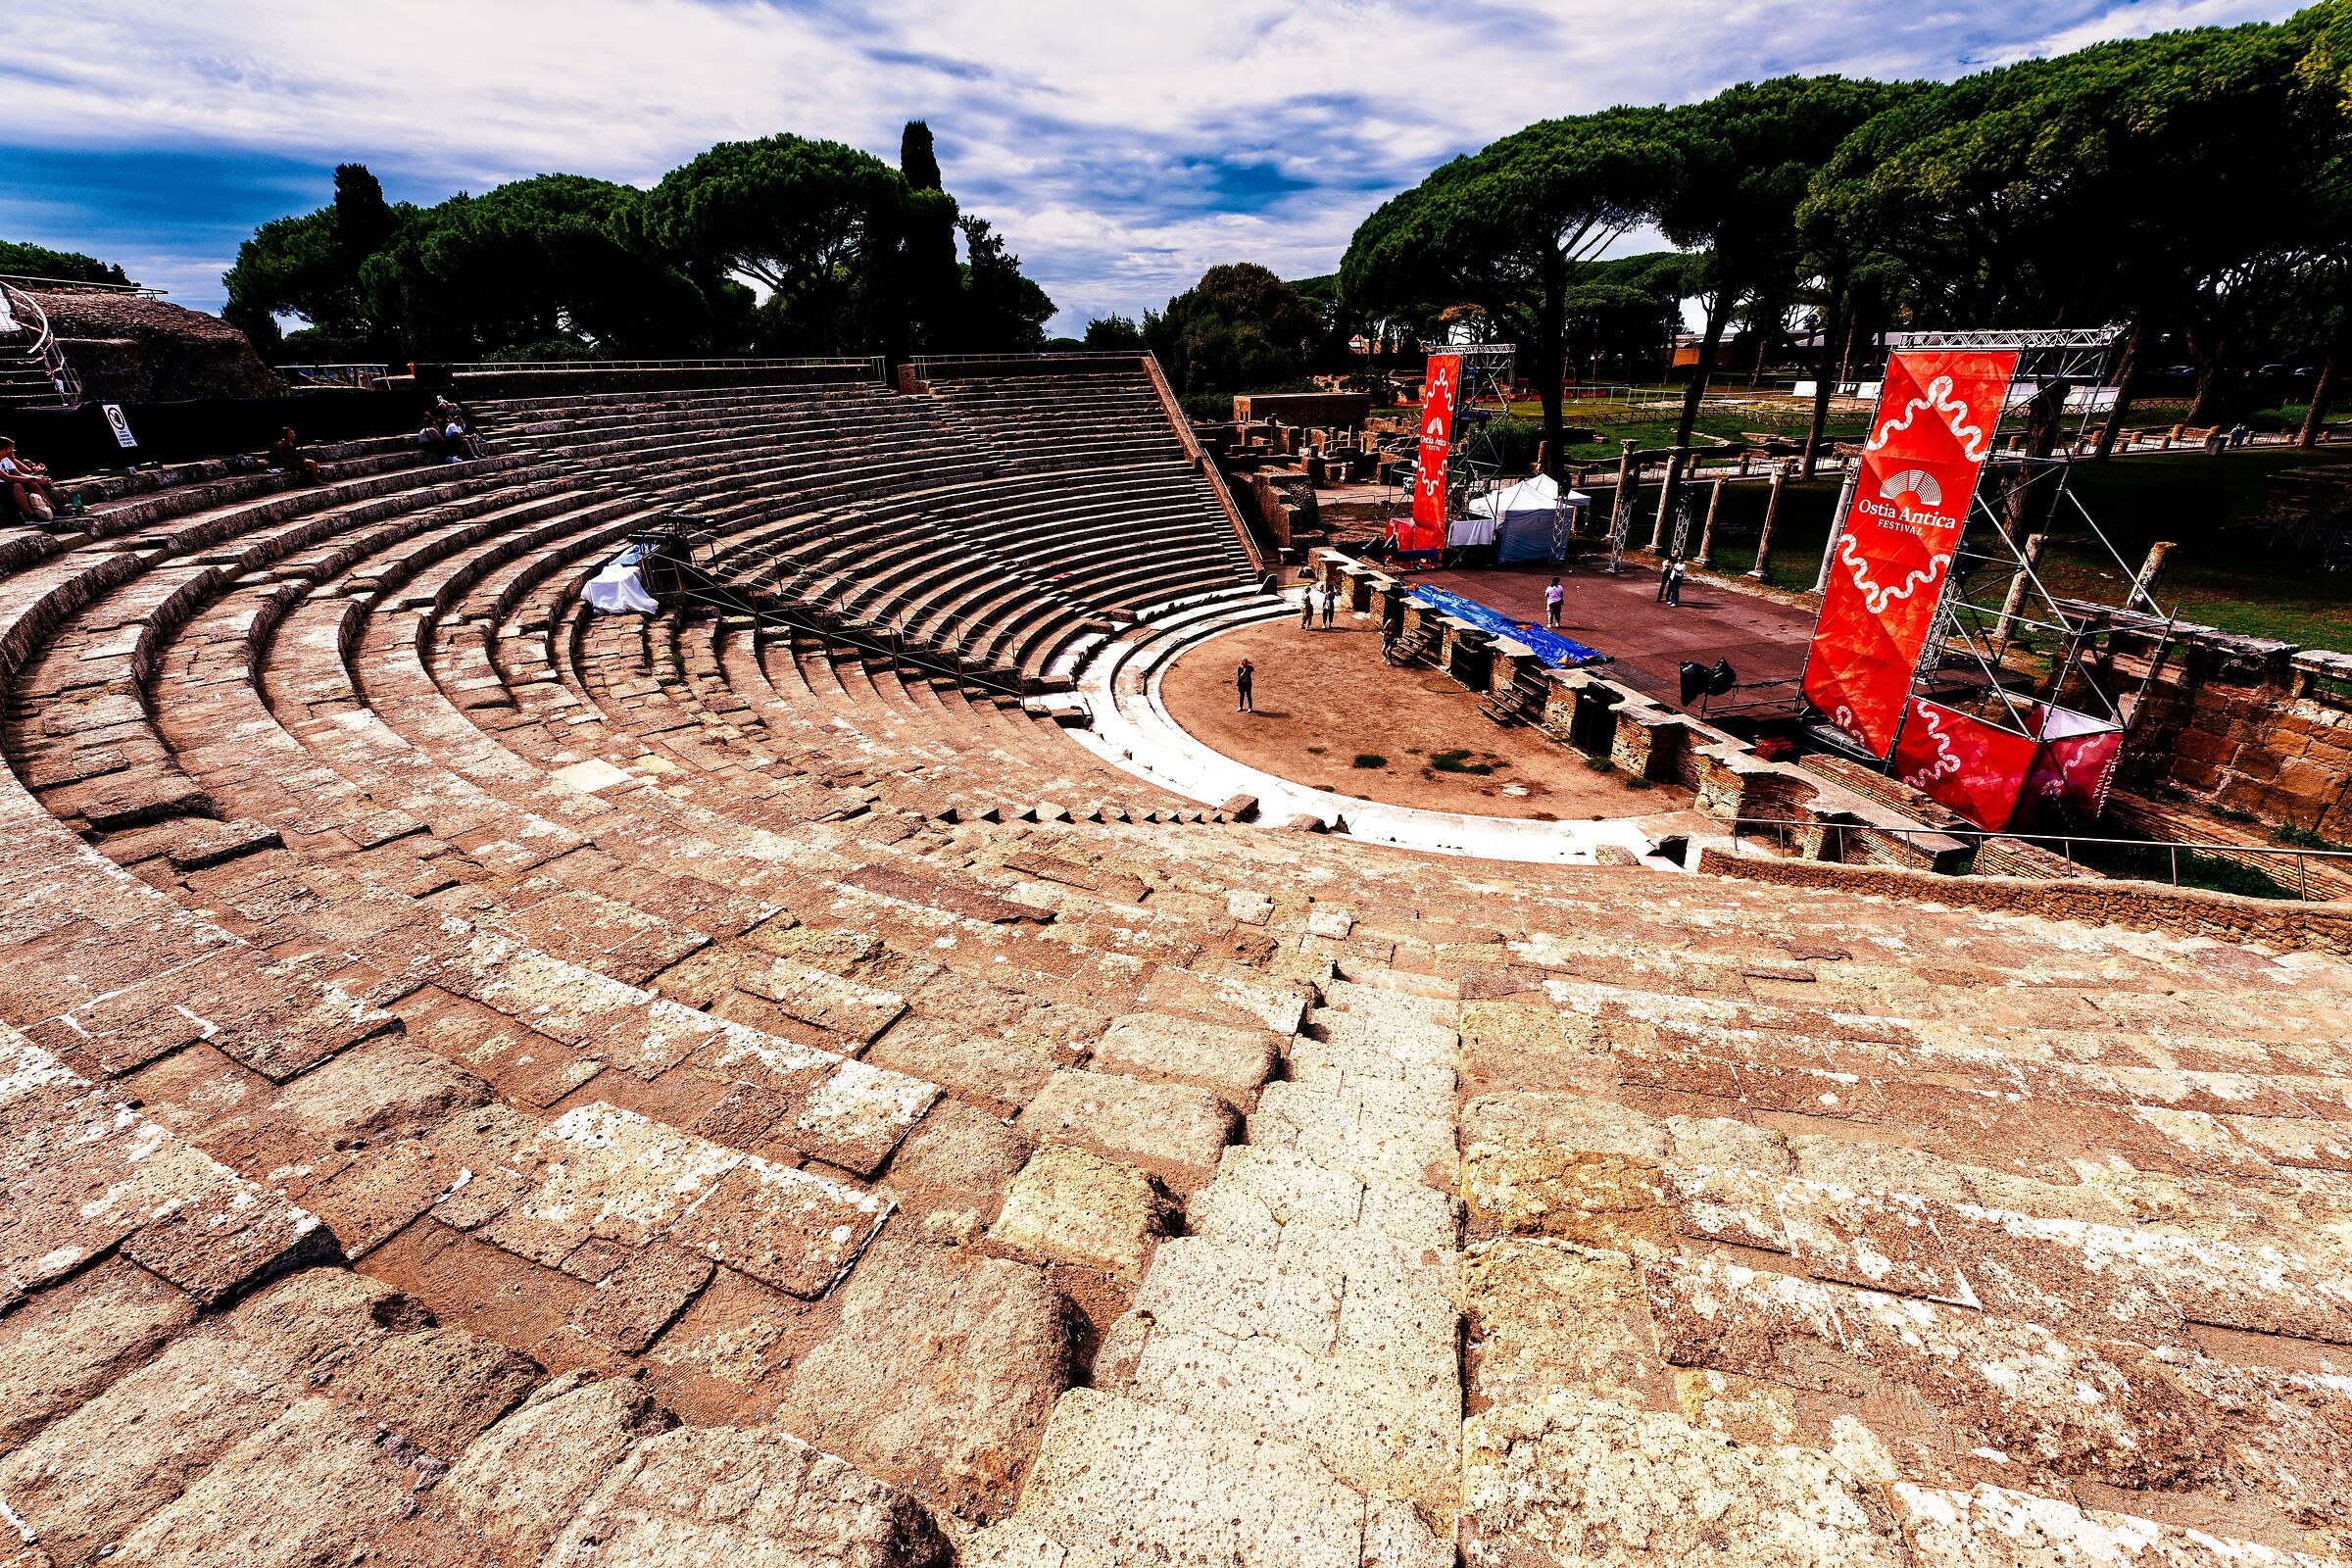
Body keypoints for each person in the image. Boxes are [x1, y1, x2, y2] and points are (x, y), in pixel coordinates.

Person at [0, 436, 58, 522]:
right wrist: (35, 478)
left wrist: (35, 478)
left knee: (32, 484)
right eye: (11, 448)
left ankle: (53, 509)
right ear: (6, 449)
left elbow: (19, 474)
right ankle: (29, 516)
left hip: (7, 485)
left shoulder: (6, 460)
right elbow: (7, 478)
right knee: (17, 485)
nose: (12, 451)